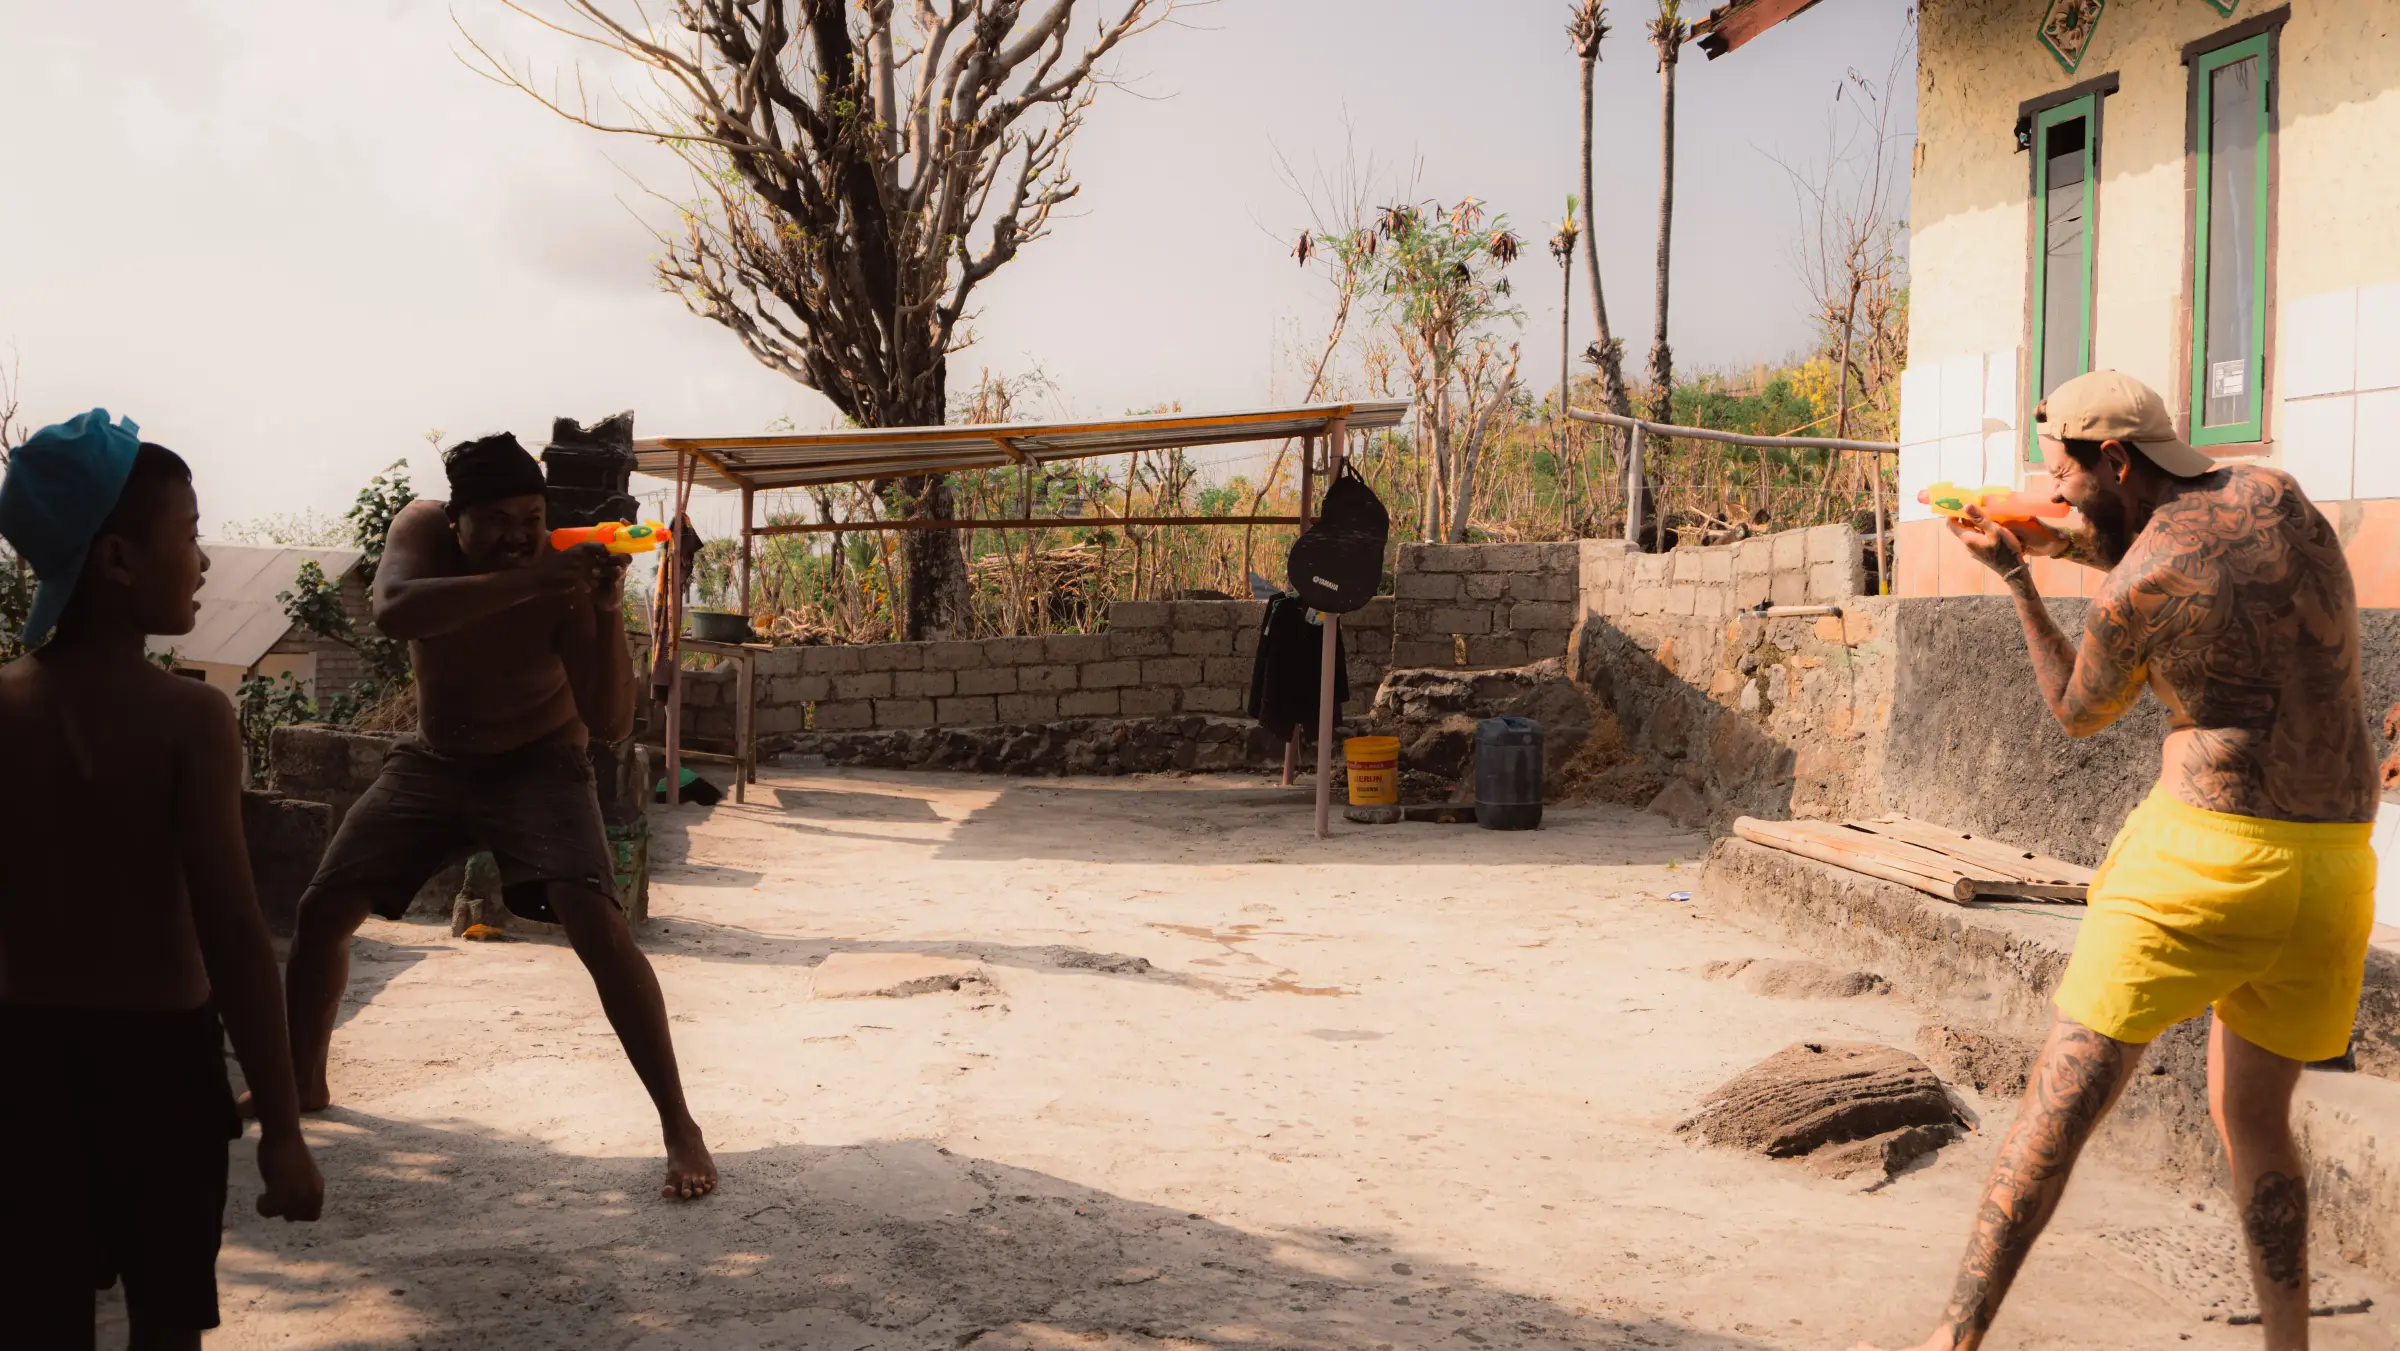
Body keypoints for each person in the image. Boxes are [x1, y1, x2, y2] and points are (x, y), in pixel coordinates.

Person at [1861, 370, 2377, 1351]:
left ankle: (1952, 1341)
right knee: (2256, 1120)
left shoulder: (2135, 589)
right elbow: (2197, 561)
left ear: (2115, 460)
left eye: (2062, 475)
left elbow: (2079, 708)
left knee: (2056, 1106)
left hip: (2207, 861)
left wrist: (2018, 576)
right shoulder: (2278, 496)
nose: (2050, 491)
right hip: (2335, 866)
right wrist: (2069, 537)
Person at [277, 432, 716, 1200]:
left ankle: (680, 1125)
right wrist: (532, 580)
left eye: (534, 516)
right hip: (435, 759)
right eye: (503, 520)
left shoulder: (566, 573)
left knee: (598, 924)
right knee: (324, 909)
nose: (522, 534)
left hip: (539, 762)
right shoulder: (420, 529)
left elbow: (612, 722)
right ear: (458, 521)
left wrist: (605, 609)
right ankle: (302, 1085)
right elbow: (393, 611)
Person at [0, 410, 326, 1350]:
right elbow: (232, 932)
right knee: (166, 1326)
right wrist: (284, 1127)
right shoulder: (189, 720)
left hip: (20, 1071)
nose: (204, 558)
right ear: (115, 560)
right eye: (186, 534)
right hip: (161, 1072)